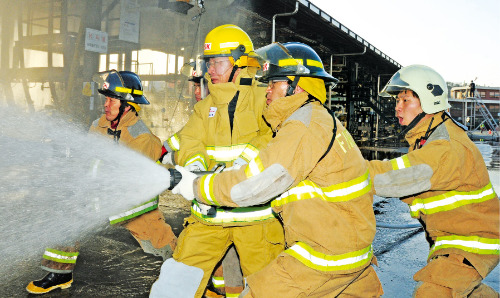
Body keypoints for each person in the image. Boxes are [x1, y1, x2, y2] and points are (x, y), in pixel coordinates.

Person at [169, 42, 384, 297]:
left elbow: (255, 183)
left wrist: (195, 186)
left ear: (297, 85)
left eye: (274, 83)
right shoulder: (314, 118)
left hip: (322, 258)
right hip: (342, 251)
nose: (267, 90)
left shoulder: (302, 126)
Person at [150, 25, 284, 298]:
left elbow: (275, 137)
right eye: (209, 62)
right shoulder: (203, 108)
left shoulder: (265, 98)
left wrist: (243, 165)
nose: (210, 70)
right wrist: (197, 171)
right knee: (174, 288)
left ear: (240, 64)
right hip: (208, 217)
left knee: (271, 290)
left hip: (255, 219)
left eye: (218, 62)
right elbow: (190, 141)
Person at [26, 70, 177, 294]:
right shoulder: (98, 125)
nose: (106, 105)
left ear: (128, 105)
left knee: (162, 243)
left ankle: (191, 270)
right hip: (98, 198)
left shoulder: (142, 138)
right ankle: (59, 273)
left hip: (132, 205)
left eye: (111, 100)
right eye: (105, 99)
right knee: (67, 216)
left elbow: (128, 181)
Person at [368, 65, 499, 296]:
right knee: (467, 292)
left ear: (429, 102)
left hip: (471, 243)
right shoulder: (429, 137)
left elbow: (393, 177)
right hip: (455, 239)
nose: (397, 107)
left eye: (405, 100)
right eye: (397, 100)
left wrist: (342, 168)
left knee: (433, 290)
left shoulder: (446, 147)